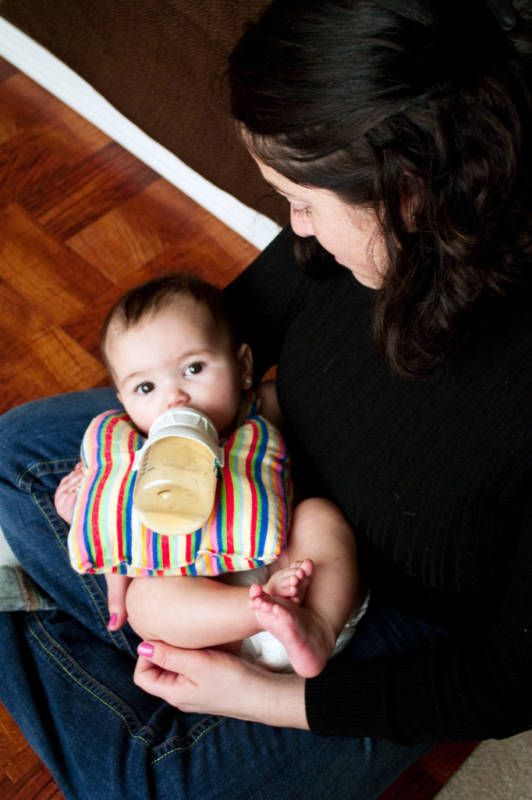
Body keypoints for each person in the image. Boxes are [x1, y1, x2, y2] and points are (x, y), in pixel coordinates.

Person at [1, 1, 532, 798]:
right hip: (251, 455)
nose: (296, 227)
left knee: (144, 787)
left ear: (410, 193)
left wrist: (267, 697)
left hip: (377, 618)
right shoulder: (364, 205)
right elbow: (227, 328)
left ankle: (50, 614)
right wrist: (118, 502)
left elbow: (506, 680)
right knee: (18, 451)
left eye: (305, 201)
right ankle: (106, 629)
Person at [54, 274, 361, 678]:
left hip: (297, 585)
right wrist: (77, 508)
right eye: (145, 387)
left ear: (244, 366)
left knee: (319, 516)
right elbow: (113, 523)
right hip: (215, 630)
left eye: (193, 368)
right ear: (123, 402)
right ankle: (259, 609)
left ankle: (318, 628)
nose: (173, 397)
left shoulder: (261, 411)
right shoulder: (129, 451)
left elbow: (325, 402)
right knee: (145, 599)